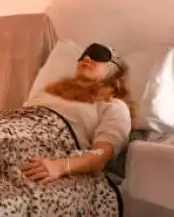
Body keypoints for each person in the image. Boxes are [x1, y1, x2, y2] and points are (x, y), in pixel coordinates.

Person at [20, 43, 134, 184]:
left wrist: (60, 167)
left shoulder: (114, 106)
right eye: (83, 55)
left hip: (38, 152)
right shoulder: (46, 93)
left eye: (97, 55)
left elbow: (101, 154)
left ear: (113, 68)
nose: (86, 58)